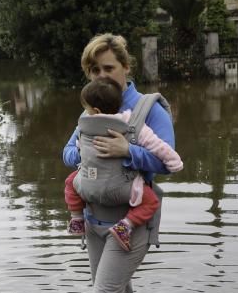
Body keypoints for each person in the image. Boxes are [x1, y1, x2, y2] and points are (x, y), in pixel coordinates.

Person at [62, 33, 177, 293]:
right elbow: (67, 153)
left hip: (131, 223)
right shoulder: (92, 107)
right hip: (94, 221)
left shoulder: (148, 111)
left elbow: (168, 161)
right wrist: (82, 148)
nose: (103, 75)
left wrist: (128, 151)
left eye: (109, 68)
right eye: (95, 69)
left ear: (127, 68)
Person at [64, 77, 183, 251]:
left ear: (94, 111)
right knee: (150, 201)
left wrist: (86, 153)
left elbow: (74, 150)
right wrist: (174, 162)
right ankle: (125, 225)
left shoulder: (84, 125)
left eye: (86, 109)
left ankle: (76, 218)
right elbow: (158, 146)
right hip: (122, 189)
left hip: (89, 184)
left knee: (70, 182)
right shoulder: (129, 122)